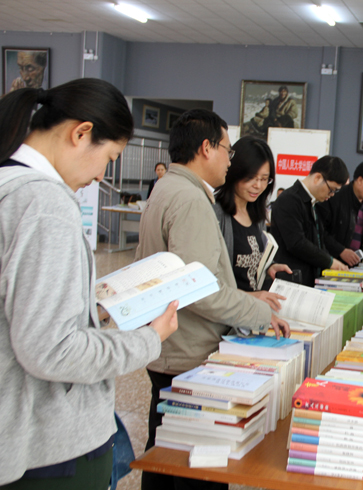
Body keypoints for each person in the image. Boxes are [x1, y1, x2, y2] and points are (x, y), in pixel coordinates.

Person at [0, 79, 178, 489]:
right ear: (81, 133)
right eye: (109, 158)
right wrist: (149, 339)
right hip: (48, 450)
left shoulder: (10, 186)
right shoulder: (44, 205)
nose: (101, 176)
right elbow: (52, 350)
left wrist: (87, 306)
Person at [136, 109, 289, 490]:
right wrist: (258, 311)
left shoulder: (167, 188)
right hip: (188, 350)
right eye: (227, 150)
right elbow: (200, 290)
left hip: (170, 344)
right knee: (196, 466)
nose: (229, 161)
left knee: (164, 455)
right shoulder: (190, 199)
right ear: (207, 148)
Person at [213, 135, 291, 301]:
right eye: (251, 178)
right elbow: (211, 281)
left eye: (264, 179)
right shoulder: (215, 213)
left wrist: (268, 267)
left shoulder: (257, 215)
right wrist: (252, 297)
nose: (258, 186)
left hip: (251, 309)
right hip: (230, 309)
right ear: (235, 173)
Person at [270, 156, 350, 287]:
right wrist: (330, 262)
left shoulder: (313, 203)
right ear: (317, 178)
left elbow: (318, 241)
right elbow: (297, 243)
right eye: (331, 190)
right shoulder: (289, 200)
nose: (332, 195)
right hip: (292, 281)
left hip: (308, 280)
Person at [318, 160, 363, 266]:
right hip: (331, 264)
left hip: (351, 266)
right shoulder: (335, 196)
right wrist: (341, 251)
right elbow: (319, 231)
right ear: (360, 180)